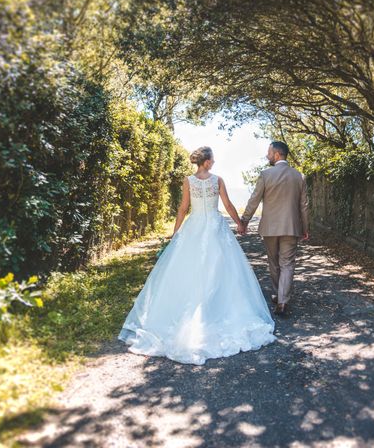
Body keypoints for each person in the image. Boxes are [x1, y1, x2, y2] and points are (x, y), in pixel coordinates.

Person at [118, 146, 276, 365]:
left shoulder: (188, 181)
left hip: (194, 226)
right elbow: (228, 205)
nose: (215, 162)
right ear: (208, 161)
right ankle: (214, 308)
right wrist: (240, 223)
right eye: (213, 159)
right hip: (214, 226)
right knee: (221, 269)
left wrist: (176, 234)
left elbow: (183, 208)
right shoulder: (217, 180)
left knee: (190, 269)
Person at [240, 141, 309, 316]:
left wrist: (244, 220)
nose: (267, 155)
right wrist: (305, 227)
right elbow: (304, 206)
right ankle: (283, 300)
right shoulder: (298, 176)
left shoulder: (265, 175)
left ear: (277, 154)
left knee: (273, 262)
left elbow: (254, 200)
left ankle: (278, 297)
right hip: (292, 227)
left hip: (270, 228)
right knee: (287, 264)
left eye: (269, 152)